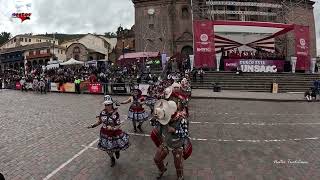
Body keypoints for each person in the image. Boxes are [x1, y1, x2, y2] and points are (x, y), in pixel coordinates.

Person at [151, 100, 191, 180]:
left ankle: (180, 177)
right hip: (166, 142)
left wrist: (175, 131)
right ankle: (162, 170)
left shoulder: (182, 120)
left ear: (173, 112)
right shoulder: (163, 115)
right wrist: (154, 118)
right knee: (157, 159)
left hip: (177, 145)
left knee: (178, 164)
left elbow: (186, 134)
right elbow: (152, 124)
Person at [87, 96, 130, 167]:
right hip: (105, 133)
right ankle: (112, 158)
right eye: (105, 105)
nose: (107, 106)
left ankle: (117, 151)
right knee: (107, 148)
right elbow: (100, 121)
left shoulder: (115, 114)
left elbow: (118, 125)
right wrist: (92, 125)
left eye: (108, 104)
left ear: (112, 104)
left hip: (114, 133)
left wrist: (112, 128)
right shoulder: (103, 112)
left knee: (115, 146)